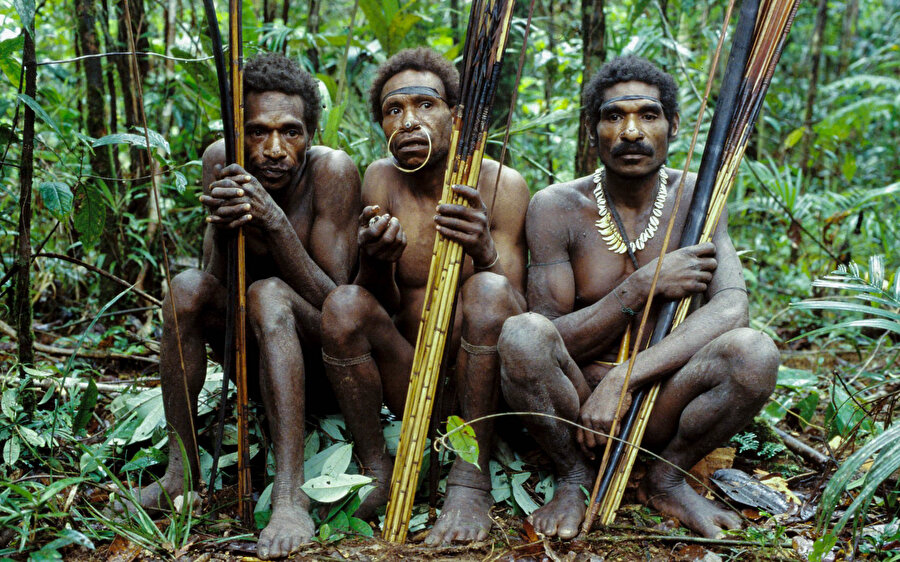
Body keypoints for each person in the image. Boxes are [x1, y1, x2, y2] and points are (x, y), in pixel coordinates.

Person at [497, 55, 779, 540]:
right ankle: (573, 477)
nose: (631, 131)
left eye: (648, 115)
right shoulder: (557, 207)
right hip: (578, 403)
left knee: (756, 352)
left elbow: (732, 306)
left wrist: (627, 377)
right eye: (614, 116)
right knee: (521, 335)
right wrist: (638, 287)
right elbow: (548, 335)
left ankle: (666, 477)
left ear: (672, 126)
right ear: (593, 130)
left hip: (664, 396)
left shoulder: (698, 194)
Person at [119, 53, 360, 559]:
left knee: (268, 293)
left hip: (320, 365)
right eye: (257, 132)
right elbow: (212, 289)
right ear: (238, 134)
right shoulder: (220, 161)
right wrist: (225, 230)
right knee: (185, 287)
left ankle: (290, 495)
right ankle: (179, 473)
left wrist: (274, 224)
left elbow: (338, 308)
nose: (274, 149)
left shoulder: (331, 173)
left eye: (290, 132)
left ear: (311, 133)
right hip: (250, 359)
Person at [319, 47, 529, 544]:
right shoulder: (380, 179)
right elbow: (381, 307)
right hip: (407, 381)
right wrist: (375, 261)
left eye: (424, 105)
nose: (408, 121)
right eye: (394, 110)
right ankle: (379, 468)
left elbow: (519, 316)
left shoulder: (502, 185)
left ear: (455, 117)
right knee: (344, 303)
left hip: (480, 389)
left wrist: (484, 250)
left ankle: (469, 477)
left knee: (488, 287)